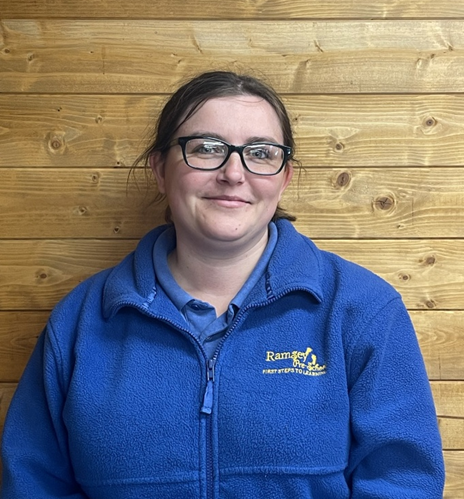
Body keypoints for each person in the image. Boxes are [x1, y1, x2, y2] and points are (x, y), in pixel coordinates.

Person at [0, 71, 445, 498]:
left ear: (284, 178)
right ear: (160, 169)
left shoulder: (361, 310)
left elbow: (403, 480)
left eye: (262, 153)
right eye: (207, 148)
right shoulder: (79, 322)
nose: (234, 173)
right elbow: (32, 482)